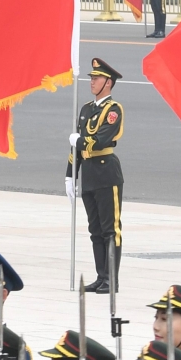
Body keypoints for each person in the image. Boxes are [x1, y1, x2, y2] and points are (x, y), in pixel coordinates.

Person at [71, 58, 125, 295]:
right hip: (89, 173)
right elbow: (76, 148)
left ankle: (111, 279)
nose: (92, 81)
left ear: (108, 83)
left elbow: (101, 139)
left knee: (110, 229)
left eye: (97, 78)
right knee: (95, 229)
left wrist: (80, 141)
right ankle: (101, 276)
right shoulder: (86, 109)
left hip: (106, 171)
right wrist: (70, 174)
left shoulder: (113, 110)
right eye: (92, 77)